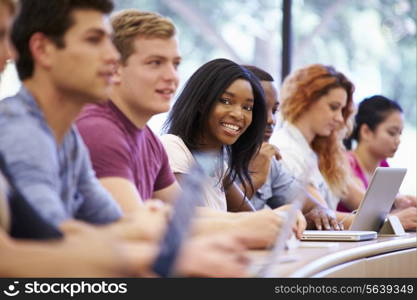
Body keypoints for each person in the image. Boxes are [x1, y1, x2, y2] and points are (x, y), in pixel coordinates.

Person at [76, 10, 294, 248]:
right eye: (155, 63)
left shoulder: (148, 139)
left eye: (175, 64)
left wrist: (266, 219)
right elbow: (136, 226)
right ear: (114, 68)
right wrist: (247, 224)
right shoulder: (99, 130)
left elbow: (185, 215)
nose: (172, 76)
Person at [161, 58, 306, 238]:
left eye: (247, 107)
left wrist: (282, 214)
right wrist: (272, 215)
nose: (239, 114)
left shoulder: (217, 164)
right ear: (200, 102)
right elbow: (190, 220)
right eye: (226, 101)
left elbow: (251, 218)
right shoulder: (172, 147)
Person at [242, 65, 339, 230]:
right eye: (258, 109)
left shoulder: (270, 160)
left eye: (274, 110)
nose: (271, 120)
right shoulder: (218, 160)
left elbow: (314, 206)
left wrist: (319, 213)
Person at [274, 64, 356, 229]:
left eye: (342, 110)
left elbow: (352, 193)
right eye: (333, 107)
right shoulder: (285, 147)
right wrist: (389, 221)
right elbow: (324, 213)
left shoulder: (317, 151)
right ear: (306, 99)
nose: (340, 118)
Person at [341, 95, 416, 230]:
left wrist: (406, 203)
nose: (398, 140)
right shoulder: (345, 163)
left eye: (400, 133)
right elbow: (371, 212)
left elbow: (393, 206)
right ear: (366, 132)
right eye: (392, 133)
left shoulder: (384, 166)